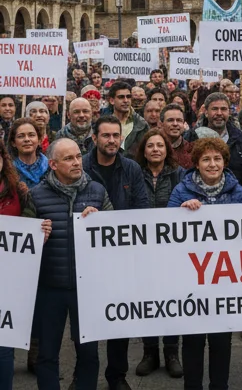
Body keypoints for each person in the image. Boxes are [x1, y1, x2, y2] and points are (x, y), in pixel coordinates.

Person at [168, 138, 242, 390]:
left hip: (224, 279)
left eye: (217, 159)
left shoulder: (237, 191)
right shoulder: (181, 191)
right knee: (192, 341)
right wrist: (181, 211)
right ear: (196, 164)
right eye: (206, 159)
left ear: (225, 162)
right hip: (192, 278)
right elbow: (166, 231)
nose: (212, 164)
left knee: (221, 341)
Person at [31, 138, 111, 390]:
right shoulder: (35, 195)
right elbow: (22, 245)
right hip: (49, 287)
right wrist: (36, 236)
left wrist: (102, 222)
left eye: (78, 156)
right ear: (53, 164)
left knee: (88, 353)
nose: (77, 162)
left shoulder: (97, 191)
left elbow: (118, 235)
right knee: (46, 353)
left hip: (86, 288)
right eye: (68, 158)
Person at [84, 115, 151, 390]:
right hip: (87, 254)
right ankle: (83, 372)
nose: (112, 140)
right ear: (94, 138)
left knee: (119, 316)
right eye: (106, 136)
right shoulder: (82, 166)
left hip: (123, 252)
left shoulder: (131, 168)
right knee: (87, 318)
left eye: (116, 136)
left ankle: (117, 375)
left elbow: (141, 207)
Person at [132, 129, 185, 379]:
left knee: (172, 299)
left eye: (160, 146)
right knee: (147, 300)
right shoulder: (134, 174)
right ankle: (150, 351)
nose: (155, 149)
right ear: (143, 151)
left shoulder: (179, 175)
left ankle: (172, 352)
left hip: (172, 250)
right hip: (141, 249)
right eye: (150, 146)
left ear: (167, 150)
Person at [0, 127, 43, 387]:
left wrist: (40, 230)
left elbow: (30, 224)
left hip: (9, 277)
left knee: (4, 344)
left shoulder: (20, 190)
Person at [196, 91, 242, 203]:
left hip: (235, 205)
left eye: (224, 109)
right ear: (206, 112)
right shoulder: (193, 137)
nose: (219, 113)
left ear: (229, 112)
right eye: (215, 109)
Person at [106, 81, 149, 152]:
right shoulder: (103, 124)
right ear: (112, 100)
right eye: (121, 97)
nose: (126, 100)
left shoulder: (142, 124)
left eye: (128, 97)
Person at [10, 118, 49, 189]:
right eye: (21, 136)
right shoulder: (8, 171)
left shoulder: (51, 168)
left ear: (39, 140)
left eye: (31, 135)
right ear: (13, 143)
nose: (27, 139)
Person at [159, 104, 195, 169]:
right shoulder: (152, 148)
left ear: (184, 124)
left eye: (179, 120)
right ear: (161, 124)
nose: (175, 124)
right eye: (170, 120)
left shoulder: (191, 151)